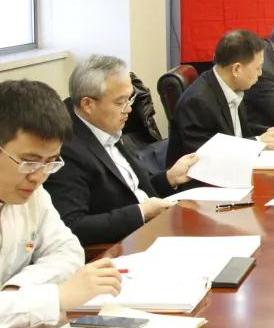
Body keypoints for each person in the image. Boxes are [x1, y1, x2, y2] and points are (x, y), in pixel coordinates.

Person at [0, 79, 121, 328]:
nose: (39, 176)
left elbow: (68, 251)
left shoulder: (33, 193)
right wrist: (55, 297)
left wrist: (17, 289)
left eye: (51, 163)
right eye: (29, 162)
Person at [46, 56, 200, 246]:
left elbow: (131, 190)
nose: (129, 109)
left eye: (130, 99)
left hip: (154, 227)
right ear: (87, 104)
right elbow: (73, 226)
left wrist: (169, 178)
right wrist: (141, 212)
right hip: (125, 245)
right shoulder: (65, 149)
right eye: (120, 102)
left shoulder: (104, 125)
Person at [165, 29, 274, 167]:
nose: (260, 74)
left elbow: (237, 134)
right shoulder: (198, 102)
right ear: (236, 69)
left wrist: (267, 133)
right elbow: (206, 156)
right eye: (257, 68)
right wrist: (258, 142)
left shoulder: (232, 86)